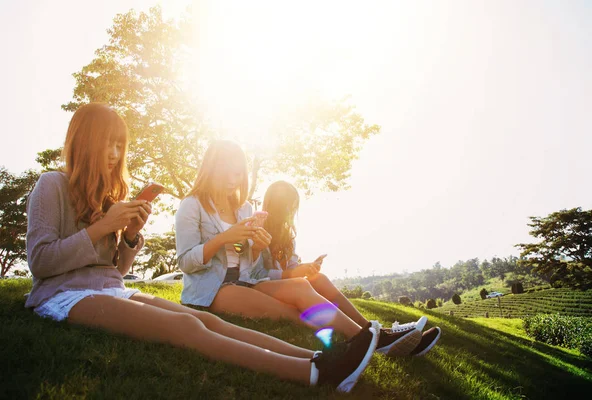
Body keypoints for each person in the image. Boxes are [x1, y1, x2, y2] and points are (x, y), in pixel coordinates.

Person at [24, 103, 378, 393]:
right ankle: (316, 375)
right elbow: (40, 262)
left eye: (121, 146)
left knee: (203, 319)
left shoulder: (107, 198)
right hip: (64, 295)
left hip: (111, 289)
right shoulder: (51, 185)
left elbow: (113, 272)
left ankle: (319, 358)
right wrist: (104, 226)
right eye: (108, 144)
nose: (116, 154)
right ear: (84, 142)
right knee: (187, 330)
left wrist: (130, 235)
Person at [175, 141, 434, 357]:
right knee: (290, 313)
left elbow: (247, 263)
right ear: (212, 169)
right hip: (214, 290)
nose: (234, 180)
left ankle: (373, 336)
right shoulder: (192, 205)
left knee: (301, 287)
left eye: (238, 174)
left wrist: (255, 247)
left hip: (245, 282)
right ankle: (369, 342)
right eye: (228, 173)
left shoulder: (244, 209)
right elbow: (186, 262)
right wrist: (223, 238)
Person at [258, 180, 442, 357]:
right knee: (304, 283)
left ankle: (373, 329)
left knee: (319, 278)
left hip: (282, 284)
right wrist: (292, 273)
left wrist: (307, 268)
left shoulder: (287, 235)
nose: (290, 210)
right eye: (286, 205)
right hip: (261, 286)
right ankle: (375, 338)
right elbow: (255, 272)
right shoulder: (259, 227)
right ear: (274, 204)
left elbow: (291, 267)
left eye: (293, 205)